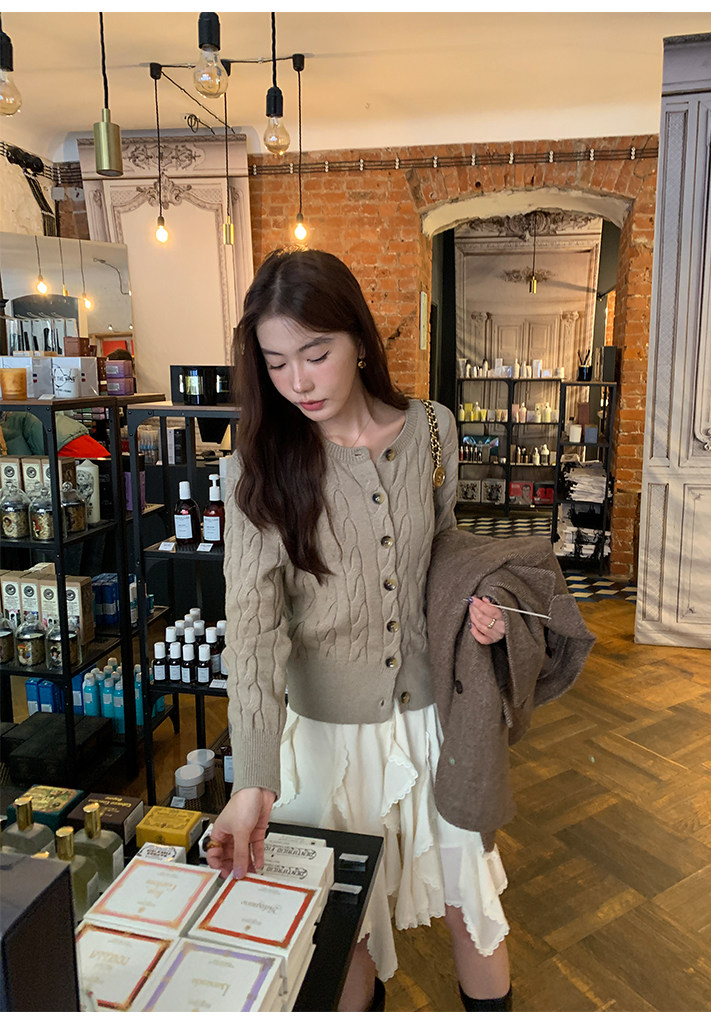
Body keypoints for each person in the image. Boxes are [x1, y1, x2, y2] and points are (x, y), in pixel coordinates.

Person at [206, 248, 512, 1012]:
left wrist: (478, 599)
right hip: (324, 743)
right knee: (346, 932)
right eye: (277, 363)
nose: (298, 382)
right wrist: (252, 781)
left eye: (316, 354)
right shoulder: (257, 468)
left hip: (434, 722)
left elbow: (444, 549)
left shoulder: (432, 432)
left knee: (473, 908)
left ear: (359, 341)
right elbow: (253, 635)